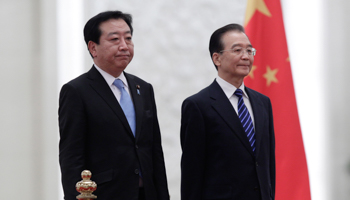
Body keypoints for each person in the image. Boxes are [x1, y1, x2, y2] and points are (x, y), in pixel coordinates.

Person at [59, 11, 169, 200]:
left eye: (128, 38)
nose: (124, 46)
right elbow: (72, 158)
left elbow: (154, 152)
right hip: (104, 195)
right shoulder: (77, 91)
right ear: (93, 48)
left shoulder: (143, 88)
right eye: (115, 39)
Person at [180, 24, 276, 200]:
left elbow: (267, 164)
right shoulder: (198, 106)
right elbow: (191, 174)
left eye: (249, 50)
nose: (245, 56)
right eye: (237, 50)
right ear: (217, 58)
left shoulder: (263, 103)